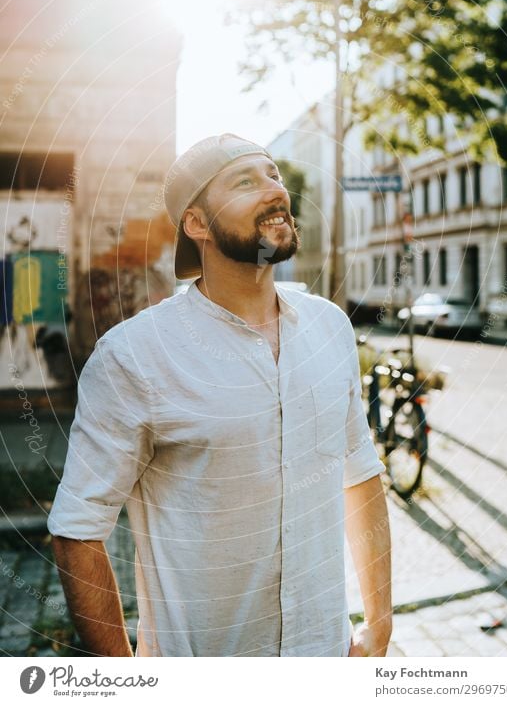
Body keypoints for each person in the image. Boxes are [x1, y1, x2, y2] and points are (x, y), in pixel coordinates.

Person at [48, 133, 392, 658]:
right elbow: (77, 528)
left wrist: (380, 624)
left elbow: (360, 474)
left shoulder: (330, 327)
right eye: (245, 181)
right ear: (197, 224)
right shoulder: (135, 355)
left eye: (274, 174)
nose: (274, 190)